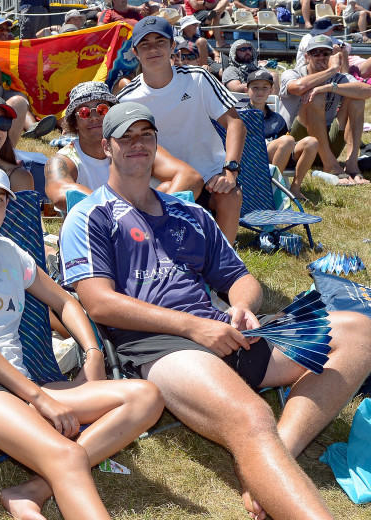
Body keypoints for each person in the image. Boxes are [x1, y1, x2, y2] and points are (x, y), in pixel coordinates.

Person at [60, 101, 371, 520]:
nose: (137, 144)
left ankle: (267, 461)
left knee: (357, 331)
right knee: (252, 415)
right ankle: (266, 457)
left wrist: (242, 306)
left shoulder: (189, 213)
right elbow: (98, 302)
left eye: (146, 136)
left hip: (222, 331)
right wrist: (193, 328)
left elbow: (241, 279)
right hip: (161, 348)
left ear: (156, 145)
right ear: (107, 147)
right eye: (126, 136)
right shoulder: (89, 215)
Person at [0, 159, 163, 520]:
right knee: (66, 455)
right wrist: (41, 399)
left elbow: (64, 300)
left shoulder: (9, 254)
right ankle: (51, 474)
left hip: (19, 383)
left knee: (147, 396)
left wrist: (92, 351)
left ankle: (31, 490)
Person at [117, 16, 244, 245]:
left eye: (159, 41)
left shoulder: (198, 79)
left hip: (210, 176)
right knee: (165, 191)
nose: (153, 49)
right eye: (144, 44)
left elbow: (235, 123)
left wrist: (230, 170)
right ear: (135, 52)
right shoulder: (127, 98)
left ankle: (225, 263)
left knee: (230, 195)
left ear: (172, 46)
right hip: (162, 181)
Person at [46, 82, 203, 212]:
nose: (94, 117)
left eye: (102, 110)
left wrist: (155, 214)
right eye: (85, 113)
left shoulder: (137, 146)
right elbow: (61, 193)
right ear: (74, 122)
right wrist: (121, 214)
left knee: (168, 189)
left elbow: (191, 178)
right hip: (96, 232)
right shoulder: (63, 159)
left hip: (146, 225)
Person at [279, 34, 371, 184]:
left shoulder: (337, 78)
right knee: (315, 95)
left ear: (332, 55)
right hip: (296, 146)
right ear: (307, 56)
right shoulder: (293, 73)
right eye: (316, 52)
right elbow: (299, 87)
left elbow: (367, 91)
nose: (321, 56)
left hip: (326, 142)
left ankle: (352, 165)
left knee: (357, 100)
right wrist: (332, 69)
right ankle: (329, 165)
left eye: (326, 53)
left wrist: (330, 86)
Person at [245, 69, 320, 199]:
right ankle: (272, 188)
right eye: (255, 88)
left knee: (311, 142)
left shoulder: (277, 119)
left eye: (265, 87)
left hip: (279, 156)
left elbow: (285, 144)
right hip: (255, 157)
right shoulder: (240, 117)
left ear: (271, 90)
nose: (260, 91)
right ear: (247, 90)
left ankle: (295, 188)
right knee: (287, 140)